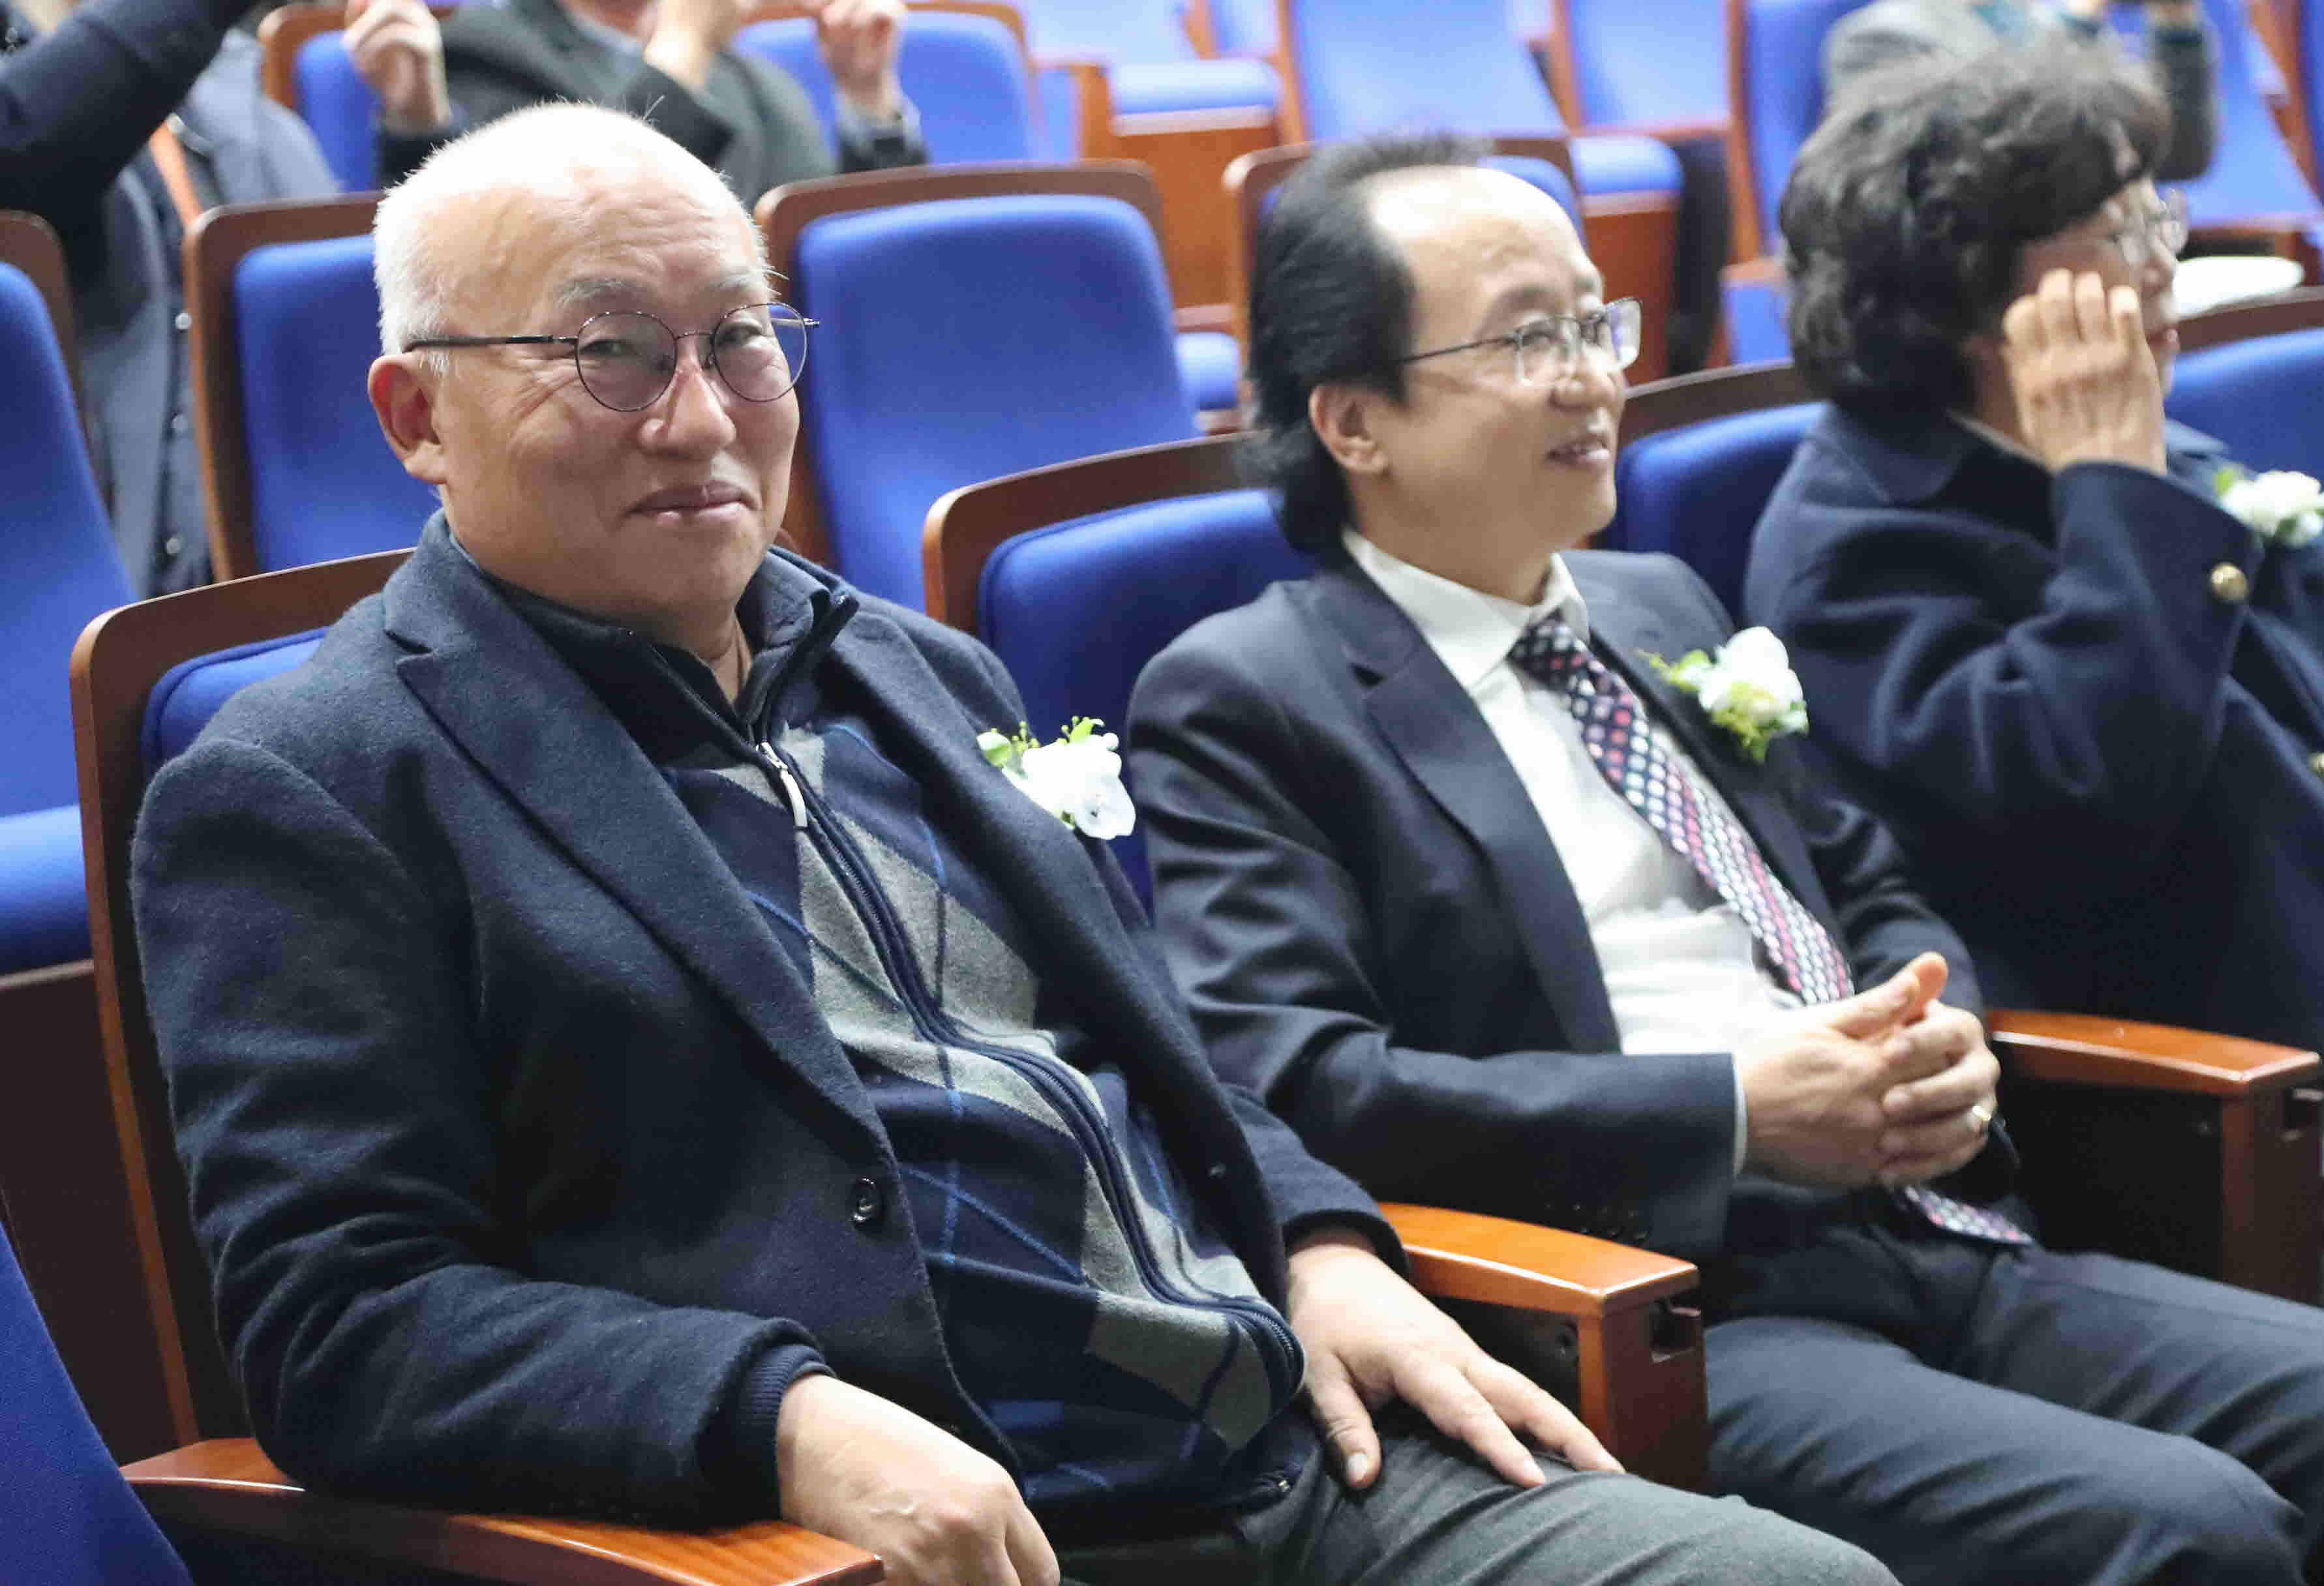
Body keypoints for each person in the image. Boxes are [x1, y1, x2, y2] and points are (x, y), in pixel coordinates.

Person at [129, 103, 1892, 1586]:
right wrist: (777, 1418)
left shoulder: (914, 670)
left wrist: (1318, 1239)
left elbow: (1166, 1051)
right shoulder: (312, 783)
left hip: (1290, 1444)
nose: (701, 414)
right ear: (416, 417)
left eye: (739, 340)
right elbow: (341, 1325)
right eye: (609, 355)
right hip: (930, 1533)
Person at [1125, 128, 2324, 1586]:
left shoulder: (1655, 600)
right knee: (2189, 1525)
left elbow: (1866, 876)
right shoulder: (1249, 694)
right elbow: (1305, 1079)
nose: (1594, 379)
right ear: (1355, 421)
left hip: (1921, 1219)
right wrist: (1730, 1113)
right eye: (1528, 339)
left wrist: (1936, 1028)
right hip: (1666, 1294)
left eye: (1595, 322)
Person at [1745, 44, 2324, 1324]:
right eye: (2114, 232)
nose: (2161, 263)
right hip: (2254, 1128)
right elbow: (2089, 804)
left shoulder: (2158, 446)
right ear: (1965, 299)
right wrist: (2113, 492)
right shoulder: (1855, 550)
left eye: (2158, 214)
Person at [0, 0, 336, 593]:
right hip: (81, 571)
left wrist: (414, 136)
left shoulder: (233, 83)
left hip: (272, 563)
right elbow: (21, 159)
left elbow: (351, 325)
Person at [345, 0, 923, 206]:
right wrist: (684, 46)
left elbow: (835, 245)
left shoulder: (756, 77)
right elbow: (591, 226)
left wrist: (866, 95)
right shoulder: (482, 51)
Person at [1826, 0, 2215, 180]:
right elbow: (1998, 177)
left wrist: (2175, 24)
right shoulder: (1879, 38)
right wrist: (2078, 26)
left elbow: (2178, 160)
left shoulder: (2049, 20)